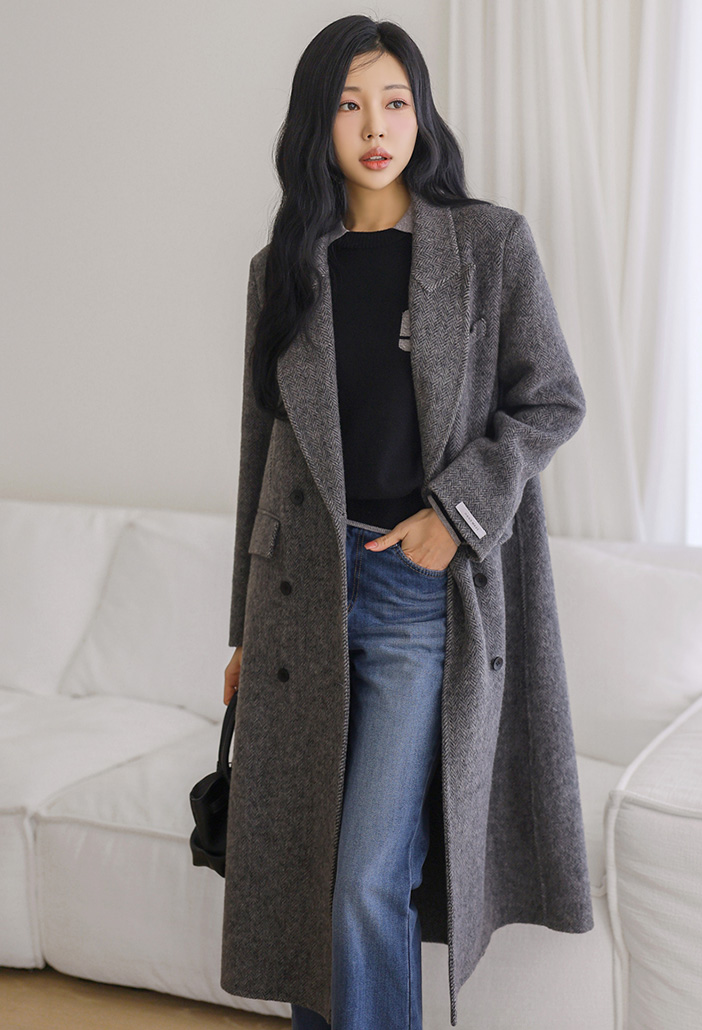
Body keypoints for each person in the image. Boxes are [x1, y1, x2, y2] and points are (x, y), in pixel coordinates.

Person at [220, 14, 592, 1030]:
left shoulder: (488, 245)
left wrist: (455, 515)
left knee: (365, 880)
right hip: (301, 599)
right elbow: (261, 460)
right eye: (350, 105)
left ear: (422, 114)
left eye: (394, 101)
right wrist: (243, 630)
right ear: (318, 123)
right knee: (312, 879)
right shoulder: (281, 270)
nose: (376, 126)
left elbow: (552, 400)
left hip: (415, 599)